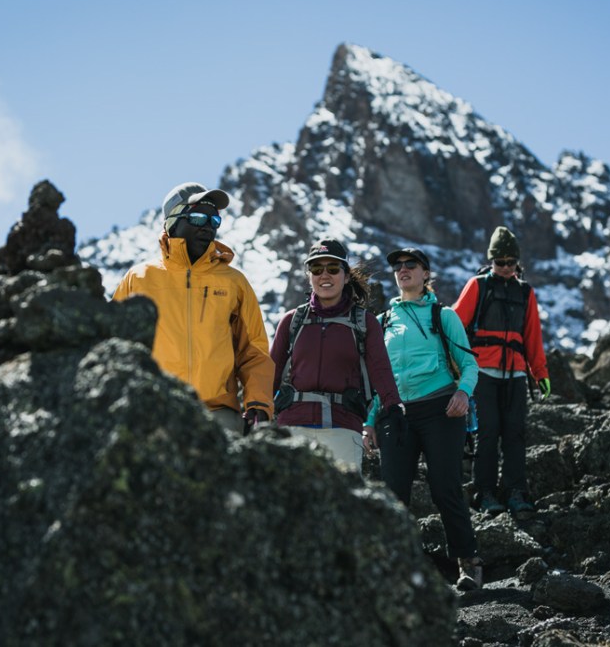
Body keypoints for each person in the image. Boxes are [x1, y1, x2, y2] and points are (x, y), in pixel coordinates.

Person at [364, 247, 483, 591]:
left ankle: (468, 562)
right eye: (398, 267)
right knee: (393, 492)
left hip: (441, 409)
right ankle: (395, 567)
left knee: (445, 487)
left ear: (426, 274)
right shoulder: (384, 322)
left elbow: (470, 364)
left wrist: (463, 393)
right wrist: (370, 420)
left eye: (410, 265)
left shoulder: (442, 316)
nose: (403, 270)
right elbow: (380, 379)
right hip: (395, 414)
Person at [113, 182, 274, 434]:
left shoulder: (234, 282)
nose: (208, 226)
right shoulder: (139, 279)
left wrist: (259, 404)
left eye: (214, 220)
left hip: (219, 418)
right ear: (173, 222)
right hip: (155, 416)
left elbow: (254, 352)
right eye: (199, 217)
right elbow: (114, 347)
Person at [270, 238, 403, 471]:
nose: (324, 275)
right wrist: (256, 410)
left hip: (343, 427)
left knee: (343, 504)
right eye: (316, 268)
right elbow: (269, 374)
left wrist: (393, 408)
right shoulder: (292, 321)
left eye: (333, 268)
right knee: (292, 504)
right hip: (292, 426)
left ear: (347, 275)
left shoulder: (364, 323)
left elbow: (380, 370)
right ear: (309, 275)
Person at [453, 226, 550, 518]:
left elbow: (533, 336)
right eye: (500, 263)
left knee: (515, 433)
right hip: (482, 373)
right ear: (491, 261)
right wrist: (455, 366)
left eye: (511, 263)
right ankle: (484, 492)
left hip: (517, 375)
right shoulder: (478, 286)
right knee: (487, 432)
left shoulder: (526, 292)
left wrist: (540, 373)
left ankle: (516, 492)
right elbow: (454, 325)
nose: (506, 268)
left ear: (517, 262)